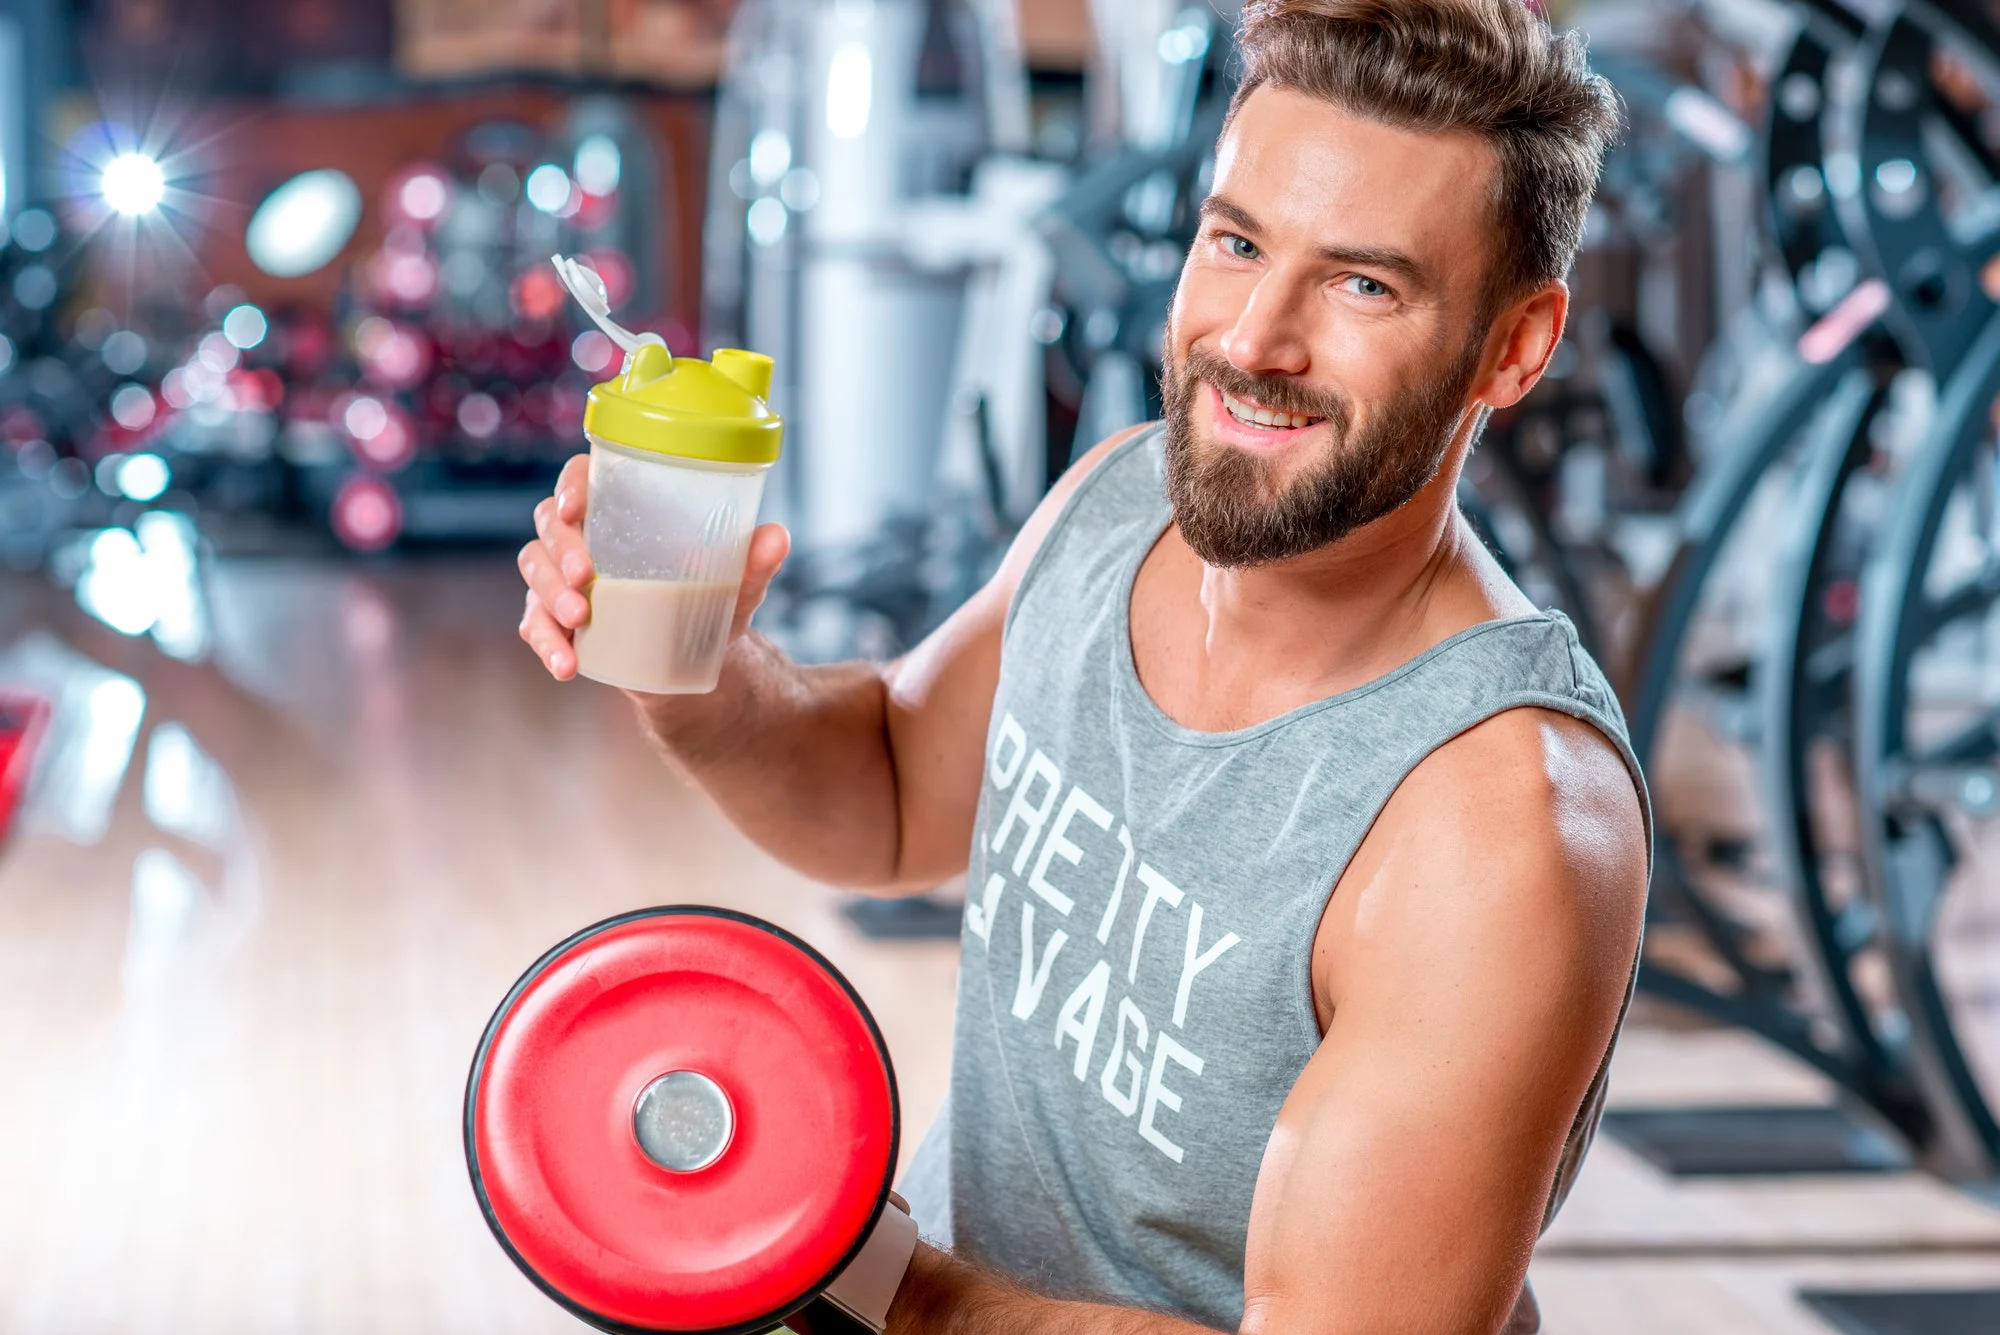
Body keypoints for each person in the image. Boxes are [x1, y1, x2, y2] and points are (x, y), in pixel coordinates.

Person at [518, 1, 1648, 1330]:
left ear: (1514, 346)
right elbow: (889, 787)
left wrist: (863, 1270)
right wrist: (693, 668)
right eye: (1236, 243)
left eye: (1363, 284)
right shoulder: (1124, 504)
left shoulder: (1496, 827)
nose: (1254, 340)